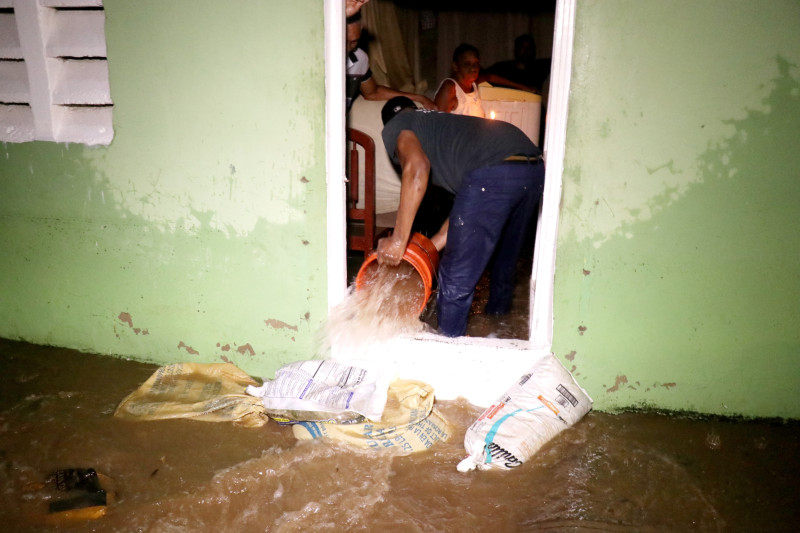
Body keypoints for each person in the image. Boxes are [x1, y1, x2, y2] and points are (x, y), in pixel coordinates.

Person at [377, 96, 545, 337]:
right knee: (504, 264)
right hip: (532, 166)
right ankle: (500, 331)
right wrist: (426, 251)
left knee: (456, 277)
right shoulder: (445, 130)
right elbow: (465, 212)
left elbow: (416, 169)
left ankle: (449, 348)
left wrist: (398, 240)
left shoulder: (398, 124)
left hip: (493, 171)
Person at [346, 14, 435, 111]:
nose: (347, 48)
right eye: (344, 41)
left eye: (353, 42)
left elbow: (373, 93)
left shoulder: (360, 58)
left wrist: (420, 98)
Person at [434, 43, 537, 117]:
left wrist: (524, 88)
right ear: (455, 66)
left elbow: (491, 77)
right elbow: (439, 123)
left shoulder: (473, 83)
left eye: (476, 63)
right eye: (467, 64)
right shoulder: (450, 87)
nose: (473, 68)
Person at [485, 34, 551, 95]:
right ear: (516, 49)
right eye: (522, 47)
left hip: (533, 105)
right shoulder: (503, 67)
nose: (526, 51)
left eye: (529, 48)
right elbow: (485, 76)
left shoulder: (540, 67)